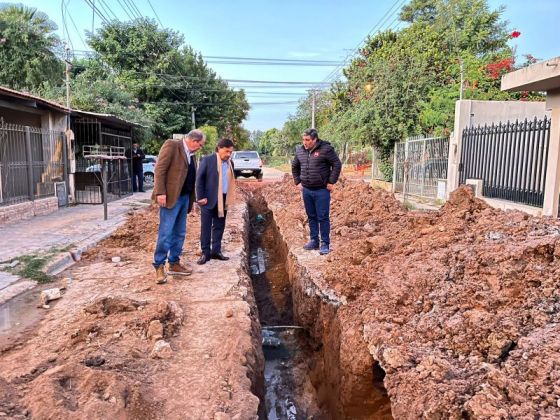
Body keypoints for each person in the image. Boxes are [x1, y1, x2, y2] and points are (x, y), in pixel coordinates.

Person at [152, 130, 206, 284]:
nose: (200, 148)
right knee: (166, 232)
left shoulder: (192, 155)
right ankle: (159, 266)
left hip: (184, 198)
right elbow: (160, 169)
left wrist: (193, 200)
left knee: (180, 233)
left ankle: (174, 263)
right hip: (170, 198)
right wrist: (160, 192)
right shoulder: (172, 145)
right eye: (200, 145)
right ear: (193, 140)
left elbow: (190, 178)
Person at [291, 128, 342, 255]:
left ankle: (325, 243)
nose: (305, 142)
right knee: (311, 216)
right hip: (307, 190)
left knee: (323, 217)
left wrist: (331, 181)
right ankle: (314, 240)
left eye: (307, 140)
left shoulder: (326, 149)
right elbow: (294, 166)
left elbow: (337, 164)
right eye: (303, 139)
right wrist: (297, 181)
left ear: (315, 139)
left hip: (321, 190)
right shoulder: (300, 151)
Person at [195, 138, 236, 265]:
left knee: (219, 226)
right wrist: (200, 197)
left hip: (223, 199)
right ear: (219, 148)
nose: (229, 154)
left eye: (231, 152)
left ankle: (216, 251)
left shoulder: (230, 163)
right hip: (208, 199)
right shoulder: (208, 160)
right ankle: (205, 253)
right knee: (206, 226)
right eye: (227, 151)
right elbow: (199, 179)